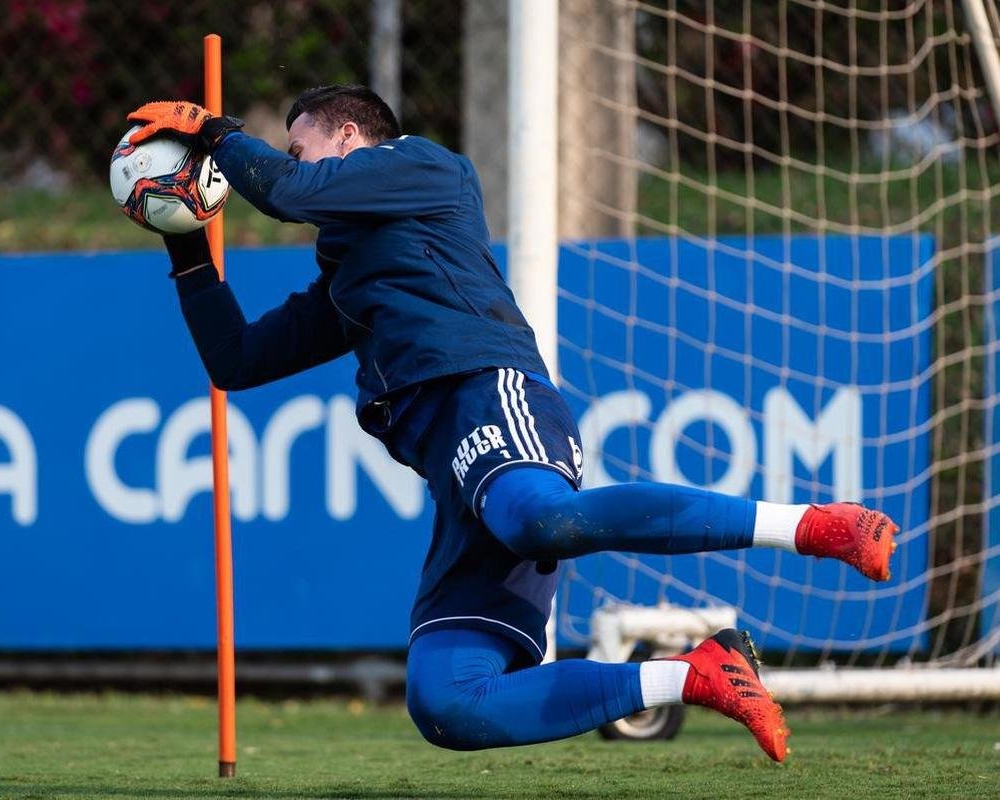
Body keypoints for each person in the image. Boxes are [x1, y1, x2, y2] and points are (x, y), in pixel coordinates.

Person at [124, 86, 898, 762]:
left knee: (540, 520)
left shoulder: (421, 166)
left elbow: (289, 190)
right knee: (447, 701)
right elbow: (237, 359)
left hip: (491, 398)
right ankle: (693, 675)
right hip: (459, 481)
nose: (291, 163)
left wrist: (213, 129)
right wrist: (186, 243)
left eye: (301, 146)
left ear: (349, 138)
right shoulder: (350, 282)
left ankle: (819, 526)